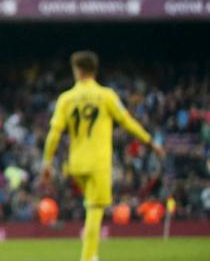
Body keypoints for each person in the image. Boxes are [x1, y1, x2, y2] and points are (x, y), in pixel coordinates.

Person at [41, 50, 164, 261]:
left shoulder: (65, 98)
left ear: (77, 71)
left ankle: (92, 254)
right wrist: (150, 142)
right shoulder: (107, 96)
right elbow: (127, 122)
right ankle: (88, 257)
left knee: (90, 204)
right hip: (98, 163)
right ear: (93, 70)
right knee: (95, 210)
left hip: (76, 163)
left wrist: (47, 162)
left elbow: (54, 134)